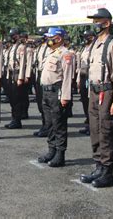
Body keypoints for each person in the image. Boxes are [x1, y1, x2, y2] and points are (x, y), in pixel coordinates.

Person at [80, 8, 113, 188]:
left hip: (107, 92)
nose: (95, 24)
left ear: (107, 23)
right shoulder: (93, 45)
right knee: (95, 130)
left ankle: (107, 171)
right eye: (94, 21)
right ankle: (98, 166)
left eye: (98, 21)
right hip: (94, 92)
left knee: (106, 130)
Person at [37, 27, 72, 167]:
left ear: (58, 38)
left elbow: (68, 77)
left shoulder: (65, 54)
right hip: (46, 92)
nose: (48, 40)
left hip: (56, 92)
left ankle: (60, 153)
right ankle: (51, 150)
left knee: (59, 124)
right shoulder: (51, 53)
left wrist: (65, 96)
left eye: (50, 37)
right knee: (49, 123)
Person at [5, 28, 27, 129]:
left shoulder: (21, 47)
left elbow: (22, 64)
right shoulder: (12, 47)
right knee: (12, 98)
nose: (12, 38)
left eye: (14, 35)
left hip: (17, 74)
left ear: (18, 36)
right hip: (10, 74)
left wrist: (21, 78)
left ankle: (17, 120)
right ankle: (14, 118)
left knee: (17, 99)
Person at [76, 30, 96, 135]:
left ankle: (93, 126)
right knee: (84, 101)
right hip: (83, 77)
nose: (84, 39)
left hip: (90, 77)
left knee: (90, 103)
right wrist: (78, 79)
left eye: (86, 37)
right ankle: (88, 123)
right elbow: (80, 66)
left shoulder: (95, 49)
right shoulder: (84, 49)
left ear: (92, 37)